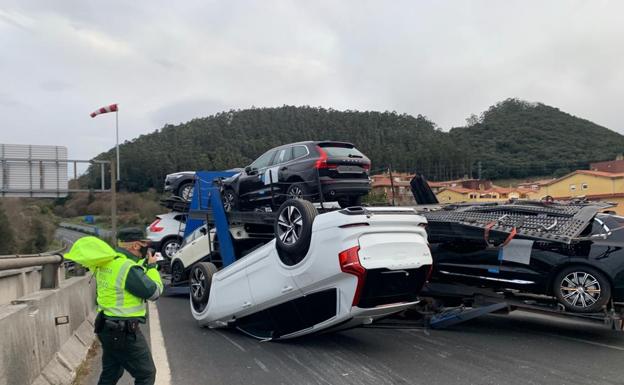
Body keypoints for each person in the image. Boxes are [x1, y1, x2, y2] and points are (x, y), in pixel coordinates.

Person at [94, 228, 164, 385]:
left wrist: (143, 267)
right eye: (145, 243)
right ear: (135, 246)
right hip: (123, 331)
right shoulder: (128, 268)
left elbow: (124, 284)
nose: (147, 247)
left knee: (111, 372)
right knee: (146, 374)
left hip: (106, 326)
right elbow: (154, 292)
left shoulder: (109, 261)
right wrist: (152, 269)